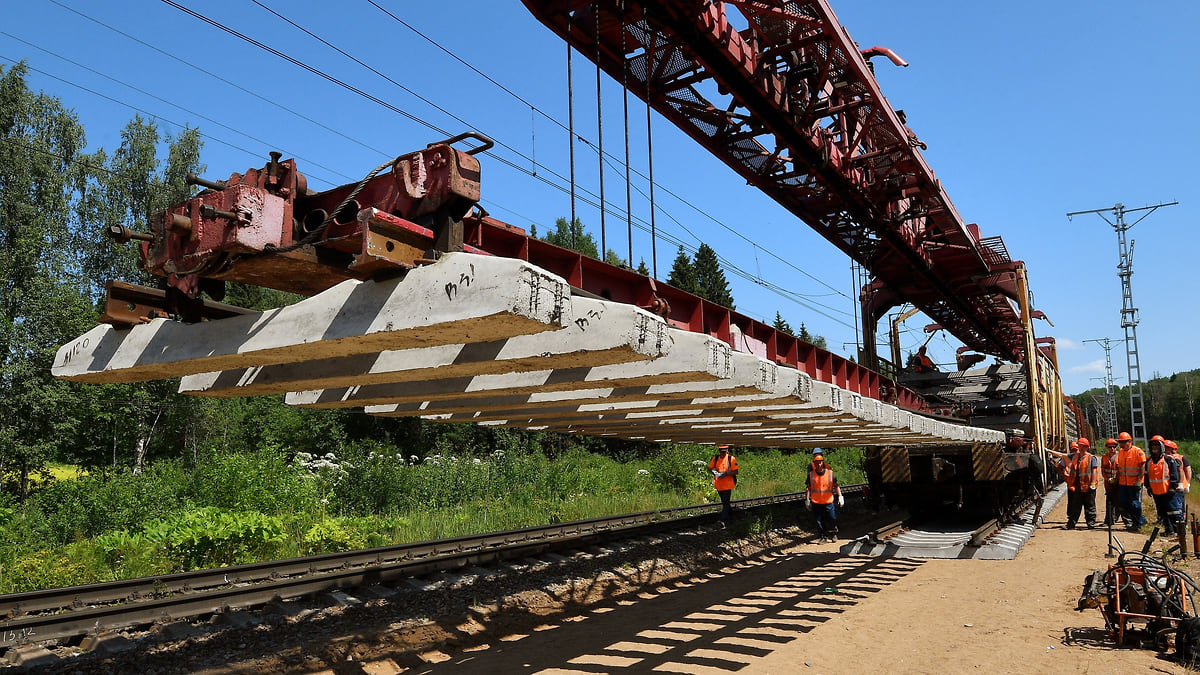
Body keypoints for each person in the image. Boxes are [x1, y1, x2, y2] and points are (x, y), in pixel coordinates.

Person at [1144, 435, 1183, 532]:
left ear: (1161, 446)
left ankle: (1177, 532)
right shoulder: (1149, 461)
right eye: (1153, 445)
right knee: (1162, 513)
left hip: (1168, 491)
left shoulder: (1168, 460)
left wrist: (1172, 488)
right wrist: (1148, 487)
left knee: (1173, 512)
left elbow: (1174, 475)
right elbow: (1146, 476)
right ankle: (1168, 531)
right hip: (1156, 492)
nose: (1155, 447)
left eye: (1157, 445)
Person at [806, 449, 844, 542]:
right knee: (819, 521)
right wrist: (807, 500)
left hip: (828, 501)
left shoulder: (830, 473)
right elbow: (809, 488)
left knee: (832, 518)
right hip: (816, 501)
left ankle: (834, 533)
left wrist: (840, 496)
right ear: (814, 463)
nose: (819, 464)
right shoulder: (811, 475)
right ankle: (823, 537)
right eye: (817, 462)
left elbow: (836, 486)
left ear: (823, 462)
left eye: (820, 462)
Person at [1063, 438, 1101, 529]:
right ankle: (1071, 524)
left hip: (1088, 486)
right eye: (1079, 446)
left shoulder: (1091, 458)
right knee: (1075, 506)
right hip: (1079, 486)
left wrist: (1092, 483)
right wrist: (1049, 451)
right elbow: (1063, 455)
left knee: (1090, 506)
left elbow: (1094, 471)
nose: (1080, 448)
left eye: (1082, 446)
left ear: (1086, 447)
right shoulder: (1075, 456)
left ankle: (1090, 523)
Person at [1116, 431, 1147, 530]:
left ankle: (1137, 524)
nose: (1122, 444)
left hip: (1134, 484)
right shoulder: (1120, 452)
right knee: (1124, 503)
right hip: (1123, 483)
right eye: (1120, 442)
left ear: (1129, 441)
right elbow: (1119, 467)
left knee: (1135, 504)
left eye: (1124, 442)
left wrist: (1138, 480)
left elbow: (1142, 465)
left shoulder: (1137, 451)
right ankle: (1141, 519)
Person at [708, 444, 739, 527]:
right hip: (719, 484)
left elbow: (736, 471)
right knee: (725, 502)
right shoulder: (716, 458)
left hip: (728, 484)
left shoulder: (731, 459)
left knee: (725, 502)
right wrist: (714, 472)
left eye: (724, 452)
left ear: (727, 451)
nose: (723, 453)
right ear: (719, 451)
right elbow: (709, 468)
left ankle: (722, 520)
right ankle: (732, 518)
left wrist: (726, 473)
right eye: (721, 452)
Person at [1100, 438, 1121, 526]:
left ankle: (1120, 518)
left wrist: (1116, 480)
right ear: (1107, 448)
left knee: (1119, 502)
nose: (1112, 449)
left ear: (1116, 447)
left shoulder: (1120, 457)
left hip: (1118, 483)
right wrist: (1107, 479)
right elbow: (1103, 470)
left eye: (1113, 447)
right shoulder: (1104, 458)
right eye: (1110, 447)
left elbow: (1121, 470)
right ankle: (1109, 520)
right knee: (1109, 502)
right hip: (1108, 483)